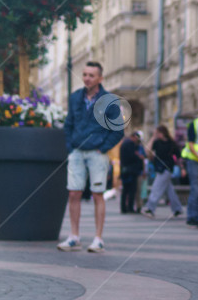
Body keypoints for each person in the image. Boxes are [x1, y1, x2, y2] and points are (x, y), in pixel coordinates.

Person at [58, 61, 123, 253]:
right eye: (85, 74)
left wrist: (103, 148)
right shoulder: (75, 97)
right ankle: (74, 237)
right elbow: (69, 123)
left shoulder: (109, 100)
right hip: (77, 151)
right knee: (73, 193)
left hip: (97, 153)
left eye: (91, 75)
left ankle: (98, 239)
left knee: (97, 195)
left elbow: (118, 130)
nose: (87, 78)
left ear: (100, 79)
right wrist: (71, 147)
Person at [141, 125, 183, 218]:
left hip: (167, 169)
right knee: (169, 190)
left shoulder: (171, 143)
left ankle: (150, 208)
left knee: (156, 188)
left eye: (158, 133)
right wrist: (153, 137)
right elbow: (147, 151)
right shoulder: (157, 142)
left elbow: (179, 156)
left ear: (163, 133)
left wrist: (182, 168)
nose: (157, 135)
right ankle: (177, 208)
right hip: (159, 168)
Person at [119, 131, 144, 214]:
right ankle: (129, 207)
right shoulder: (130, 144)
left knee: (125, 190)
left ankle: (124, 207)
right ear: (134, 136)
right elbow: (132, 156)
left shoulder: (124, 143)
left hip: (125, 170)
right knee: (131, 190)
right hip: (131, 170)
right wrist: (138, 157)